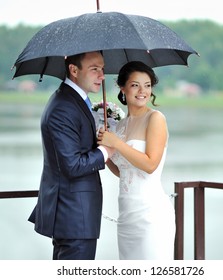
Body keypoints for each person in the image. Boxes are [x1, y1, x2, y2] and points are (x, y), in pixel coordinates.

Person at [28, 51, 113, 260]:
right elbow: (72, 165)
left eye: (102, 68)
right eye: (94, 69)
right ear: (73, 70)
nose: (102, 75)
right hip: (73, 216)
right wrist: (106, 151)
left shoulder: (73, 100)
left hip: (76, 215)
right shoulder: (63, 107)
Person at [97, 61, 175, 260]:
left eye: (147, 85)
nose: (142, 91)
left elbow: (150, 165)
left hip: (151, 215)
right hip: (126, 216)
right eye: (135, 85)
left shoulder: (155, 118)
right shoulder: (120, 125)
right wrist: (103, 151)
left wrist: (117, 143)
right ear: (122, 88)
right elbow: (123, 171)